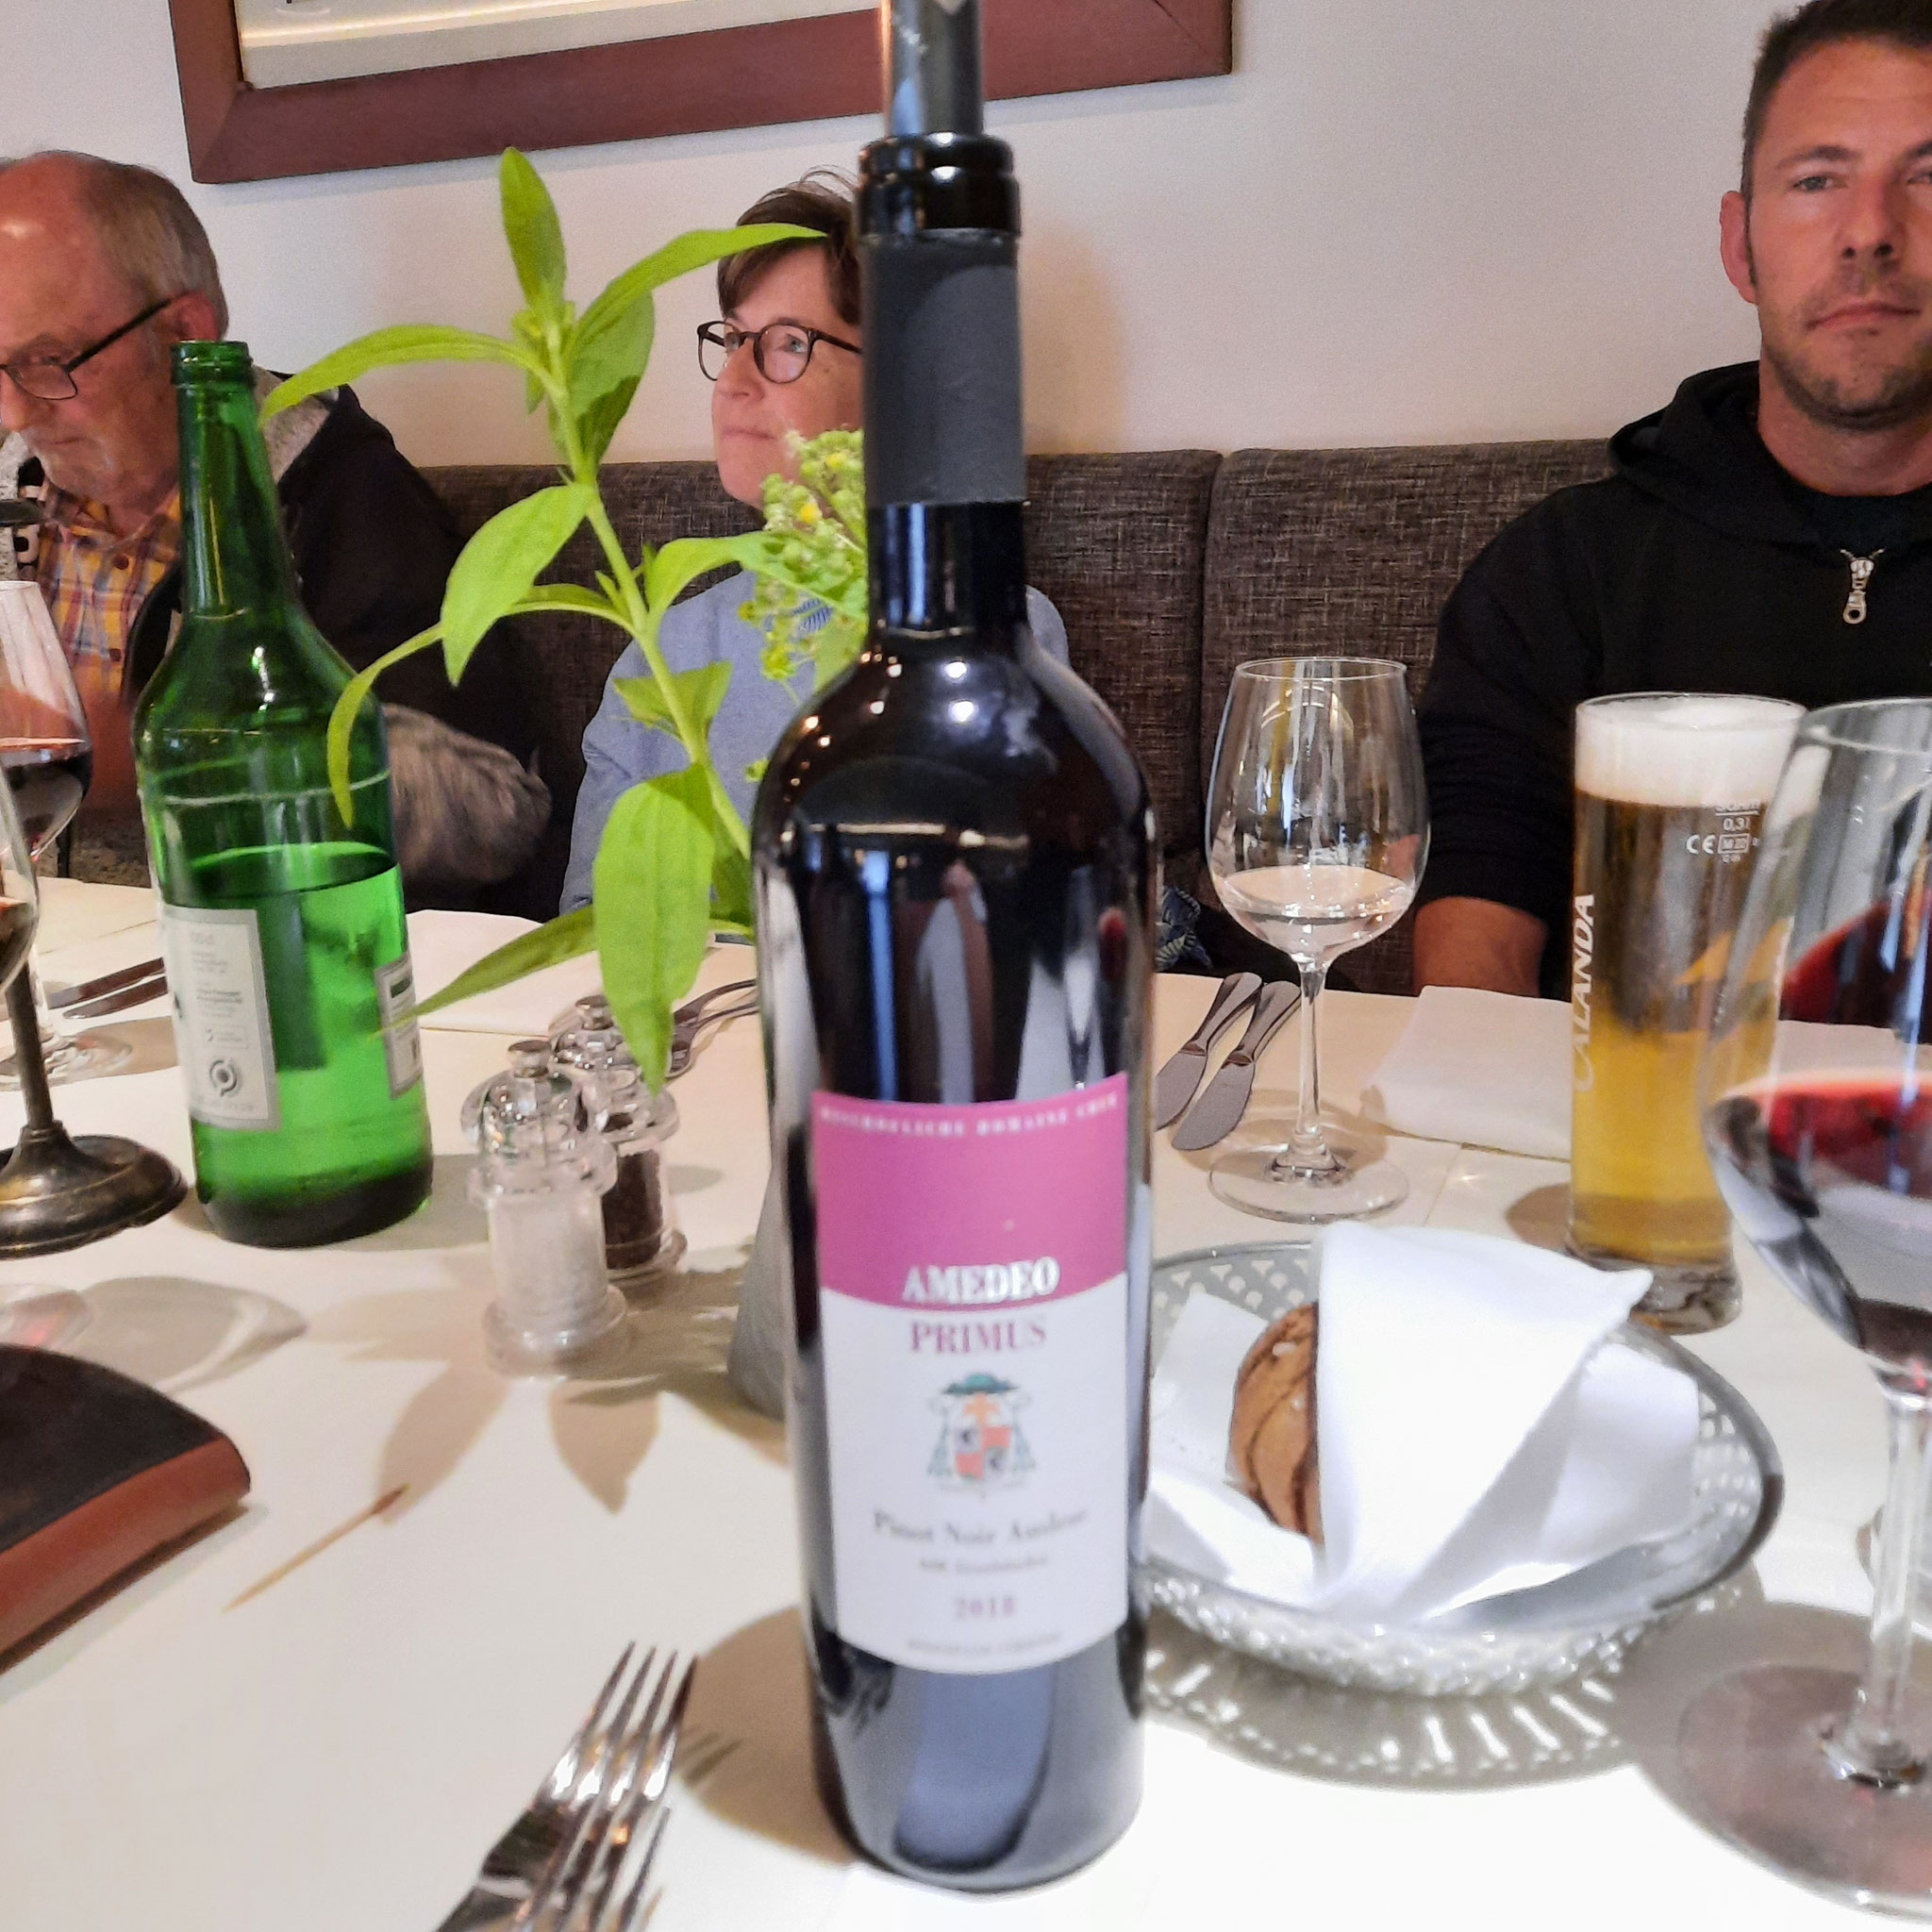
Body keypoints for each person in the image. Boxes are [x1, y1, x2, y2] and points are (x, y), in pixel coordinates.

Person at [1414, 0, 1932, 998]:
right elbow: (1474, 945)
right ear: (1740, 247)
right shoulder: (1559, 572)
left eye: (1928, 176)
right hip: (1634, 1099)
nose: (1869, 231)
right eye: (1816, 180)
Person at [0, 150, 548, 901]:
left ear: (184, 332)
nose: (14, 413)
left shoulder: (341, 496)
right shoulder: (13, 489)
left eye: (49, 360)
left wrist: (165, 757)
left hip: (243, 945)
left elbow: (490, 808)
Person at [562, 173, 1070, 913]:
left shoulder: (992, 633)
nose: (733, 381)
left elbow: (1005, 919)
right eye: (732, 339)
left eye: (788, 344)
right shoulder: (662, 651)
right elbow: (590, 932)